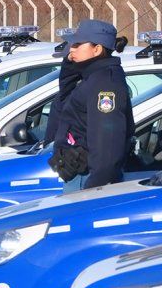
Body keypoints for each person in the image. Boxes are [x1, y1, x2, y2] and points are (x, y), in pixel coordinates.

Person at [48, 19, 132, 193]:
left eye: (77, 45)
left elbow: (107, 146)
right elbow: (65, 96)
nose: (71, 49)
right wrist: (69, 63)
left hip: (87, 178)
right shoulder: (93, 76)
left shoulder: (106, 84)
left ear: (97, 49)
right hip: (77, 173)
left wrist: (92, 190)